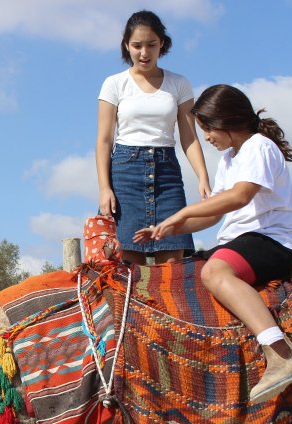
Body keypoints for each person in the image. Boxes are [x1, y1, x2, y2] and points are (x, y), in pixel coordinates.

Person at [133, 84, 292, 403]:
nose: (206, 137)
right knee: (177, 276)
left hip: (270, 241)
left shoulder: (259, 146)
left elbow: (239, 196)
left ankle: (282, 353)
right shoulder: (230, 158)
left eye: (207, 128)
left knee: (214, 273)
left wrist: (184, 211)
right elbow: (214, 214)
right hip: (241, 240)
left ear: (226, 121)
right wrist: (169, 226)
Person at [96, 10, 210, 265]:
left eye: (151, 45)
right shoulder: (114, 84)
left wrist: (202, 176)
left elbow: (189, 137)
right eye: (137, 46)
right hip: (125, 173)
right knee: (126, 267)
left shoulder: (179, 84)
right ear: (127, 46)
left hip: (167, 174)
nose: (144, 53)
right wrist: (105, 188)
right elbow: (104, 140)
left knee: (172, 263)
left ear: (162, 45)